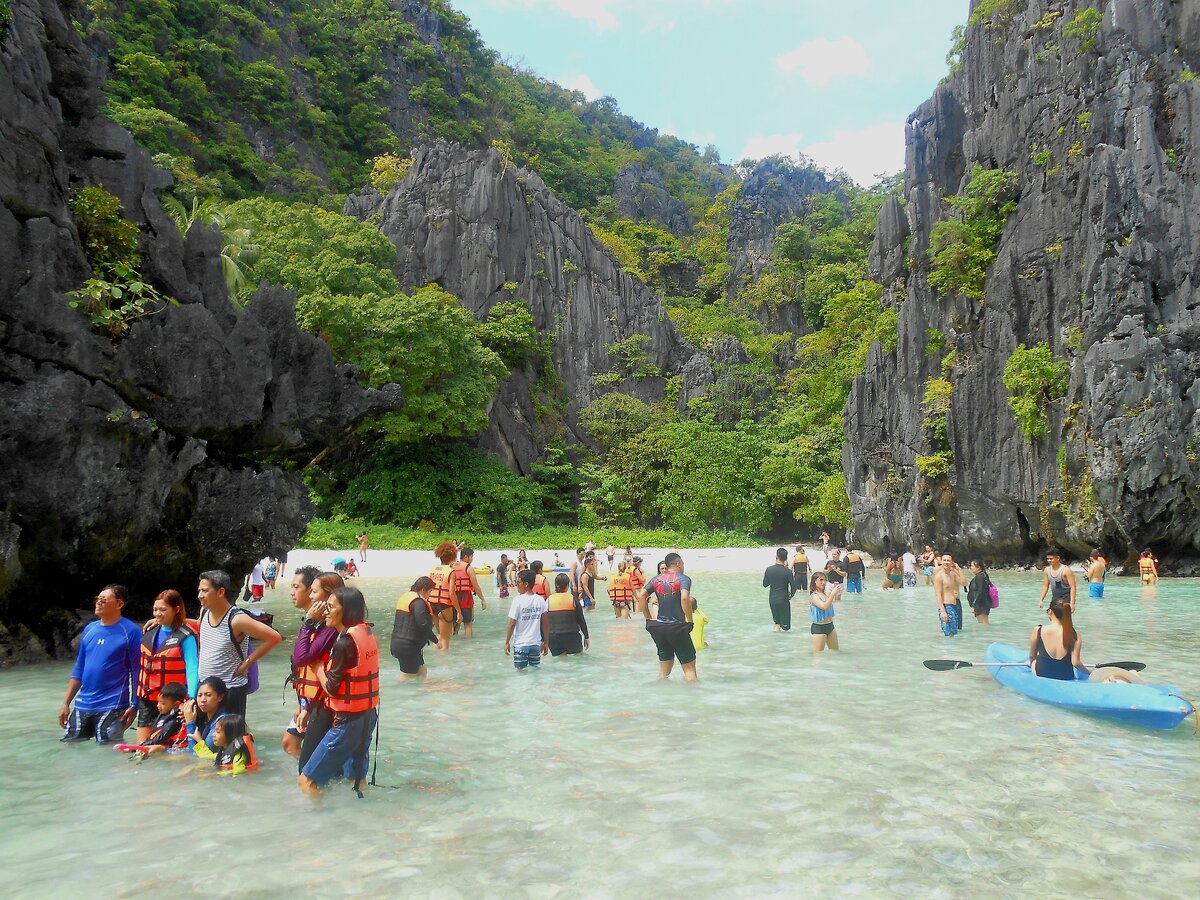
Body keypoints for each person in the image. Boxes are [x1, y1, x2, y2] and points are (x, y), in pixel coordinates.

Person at [299, 587, 381, 797]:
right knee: (356, 778)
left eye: (330, 607)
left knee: (307, 781)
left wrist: (318, 668)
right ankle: (362, 811)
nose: (325, 611)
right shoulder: (365, 633)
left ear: (346, 611)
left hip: (348, 722)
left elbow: (332, 689)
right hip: (368, 716)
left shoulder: (344, 644)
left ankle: (319, 817)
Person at [59, 585, 142, 744]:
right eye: (97, 599)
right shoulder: (90, 629)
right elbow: (79, 669)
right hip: (83, 704)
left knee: (108, 751)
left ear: (119, 604)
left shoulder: (130, 631)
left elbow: (137, 671)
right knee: (69, 745)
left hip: (113, 706)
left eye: (103, 599)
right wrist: (66, 703)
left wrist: (135, 705)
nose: (98, 602)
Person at [196, 569, 282, 719]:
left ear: (220, 592)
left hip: (230, 690)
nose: (200, 595)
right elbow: (198, 626)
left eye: (204, 591)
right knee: (204, 734)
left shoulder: (237, 619)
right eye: (199, 591)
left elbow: (274, 637)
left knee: (230, 734)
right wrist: (167, 621)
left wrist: (247, 663)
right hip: (205, 690)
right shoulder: (205, 611)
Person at [284, 570, 341, 768]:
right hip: (312, 701)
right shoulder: (319, 623)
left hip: (324, 705)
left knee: (309, 767)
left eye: (314, 592)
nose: (309, 596)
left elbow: (302, 659)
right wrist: (304, 703)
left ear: (330, 595)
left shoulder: (330, 627)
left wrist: (308, 623)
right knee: (291, 744)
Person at [136, 589, 198, 741]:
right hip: (148, 699)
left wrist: (191, 699)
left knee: (164, 745)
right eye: (155, 609)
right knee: (142, 746)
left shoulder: (186, 637)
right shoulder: (150, 631)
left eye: (163, 610)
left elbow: (192, 669)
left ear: (176, 609)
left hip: (172, 701)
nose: (157, 614)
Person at [635, 552, 697, 681]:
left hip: (659, 629)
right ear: (678, 563)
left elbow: (641, 595)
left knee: (664, 672)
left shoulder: (656, 579)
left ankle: (661, 691)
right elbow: (685, 598)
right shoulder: (683, 578)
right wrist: (690, 621)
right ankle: (692, 693)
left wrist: (648, 618)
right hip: (677, 628)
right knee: (689, 670)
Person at [113, 682, 189, 756]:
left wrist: (139, 746)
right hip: (159, 746)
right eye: (158, 702)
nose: (158, 705)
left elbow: (161, 738)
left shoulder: (175, 719)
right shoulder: (166, 713)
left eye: (163, 703)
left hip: (171, 752)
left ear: (176, 704)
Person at [391, 576, 441, 679]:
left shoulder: (407, 597)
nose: (430, 594)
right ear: (423, 589)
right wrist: (435, 640)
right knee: (407, 677)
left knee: (421, 671)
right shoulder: (418, 602)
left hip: (401, 643)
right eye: (430, 591)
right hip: (408, 646)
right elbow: (422, 623)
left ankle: (420, 689)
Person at [1029, 597, 1084, 680]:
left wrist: (1031, 663)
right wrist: (1089, 673)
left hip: (1042, 674)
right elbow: (1076, 663)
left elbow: (1032, 655)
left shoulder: (1038, 630)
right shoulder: (1075, 634)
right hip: (1066, 676)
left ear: (1050, 612)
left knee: (1034, 662)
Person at [505, 570, 549, 670]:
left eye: (518, 582)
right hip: (535, 645)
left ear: (526, 584)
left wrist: (507, 642)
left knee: (521, 673)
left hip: (521, 645)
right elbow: (546, 624)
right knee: (535, 671)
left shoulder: (517, 600)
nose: (517, 585)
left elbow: (512, 623)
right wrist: (546, 642)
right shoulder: (540, 600)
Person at [193, 714, 259, 775]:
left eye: (218, 732)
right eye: (214, 731)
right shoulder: (223, 752)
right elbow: (208, 756)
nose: (213, 735)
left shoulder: (238, 754)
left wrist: (215, 774)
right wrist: (199, 740)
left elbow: (239, 771)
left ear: (230, 734)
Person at [428, 542, 463, 650]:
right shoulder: (451, 572)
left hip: (432, 604)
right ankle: (444, 659)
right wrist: (459, 612)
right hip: (444, 606)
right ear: (452, 557)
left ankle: (436, 657)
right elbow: (452, 593)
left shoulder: (433, 570)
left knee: (439, 636)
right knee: (445, 639)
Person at [183, 675, 230, 753]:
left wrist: (190, 723)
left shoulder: (222, 722)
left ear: (220, 697)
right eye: (199, 695)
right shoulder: (205, 717)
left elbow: (196, 755)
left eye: (208, 695)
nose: (203, 700)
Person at [546, 573, 590, 657]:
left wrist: (543, 639)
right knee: (578, 658)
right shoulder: (573, 599)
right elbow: (581, 620)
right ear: (567, 586)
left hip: (553, 637)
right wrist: (586, 636)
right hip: (571, 636)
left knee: (561, 661)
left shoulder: (548, 600)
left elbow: (544, 621)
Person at [452, 548, 487, 639]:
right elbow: (476, 586)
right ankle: (468, 644)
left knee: (456, 623)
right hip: (465, 597)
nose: (472, 559)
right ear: (466, 557)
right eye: (471, 557)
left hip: (454, 597)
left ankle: (454, 644)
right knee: (468, 624)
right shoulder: (468, 568)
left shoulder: (452, 567)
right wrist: (482, 599)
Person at [933, 554, 968, 637]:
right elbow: (938, 595)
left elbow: (964, 583)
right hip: (946, 606)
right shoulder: (939, 576)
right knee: (948, 635)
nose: (946, 562)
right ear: (941, 562)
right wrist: (943, 611)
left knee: (955, 634)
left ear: (952, 562)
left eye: (948, 560)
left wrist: (959, 569)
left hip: (954, 606)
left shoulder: (953, 574)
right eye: (944, 560)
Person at [762, 547, 795, 633]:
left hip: (772, 599)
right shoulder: (788, 571)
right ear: (786, 558)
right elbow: (793, 588)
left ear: (776, 556)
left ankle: (775, 637)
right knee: (785, 628)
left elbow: (765, 584)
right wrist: (790, 595)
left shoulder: (769, 569)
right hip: (784, 599)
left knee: (777, 623)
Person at [808, 572, 840, 652]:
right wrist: (832, 594)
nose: (824, 582)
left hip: (830, 626)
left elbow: (829, 605)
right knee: (818, 656)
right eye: (821, 580)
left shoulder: (825, 594)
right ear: (815, 581)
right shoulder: (814, 596)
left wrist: (834, 594)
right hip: (819, 628)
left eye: (825, 580)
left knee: (835, 653)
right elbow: (824, 607)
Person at [966, 560, 993, 625]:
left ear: (978, 567)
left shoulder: (979, 576)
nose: (971, 568)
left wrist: (975, 605)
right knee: (984, 623)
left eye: (972, 566)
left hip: (981, 604)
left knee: (983, 624)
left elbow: (980, 591)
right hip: (984, 603)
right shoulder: (984, 575)